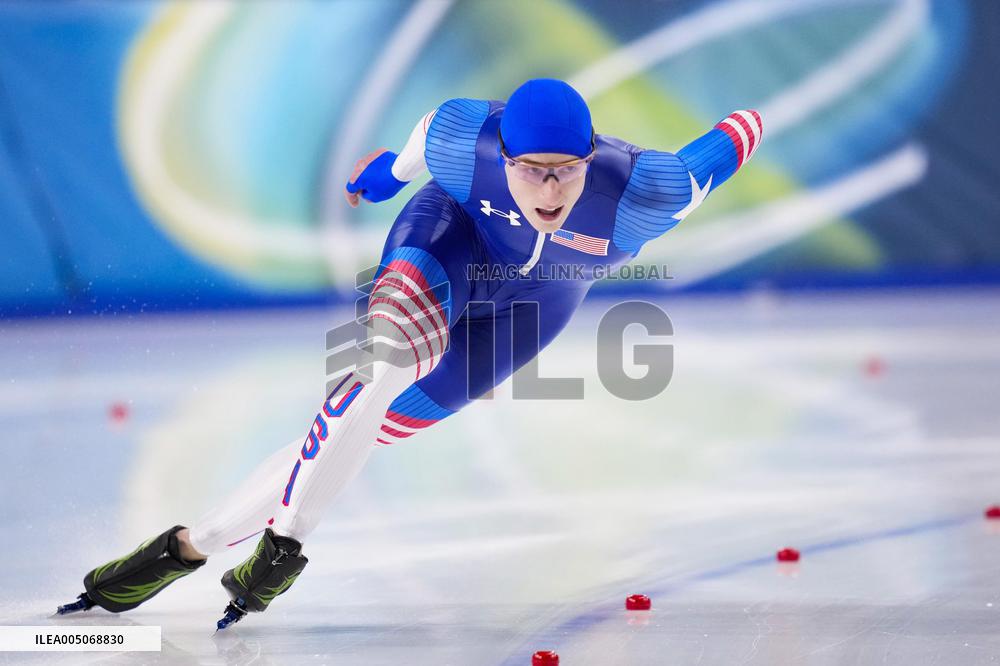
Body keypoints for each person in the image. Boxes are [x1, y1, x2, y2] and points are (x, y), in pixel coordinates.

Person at [57, 79, 763, 629]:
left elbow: (735, 138)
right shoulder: (464, 137)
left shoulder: (649, 193)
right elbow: (422, 139)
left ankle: (190, 545)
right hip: (449, 240)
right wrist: (388, 178)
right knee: (388, 365)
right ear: (503, 155)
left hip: (533, 308)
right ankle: (286, 547)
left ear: (589, 159)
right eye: (531, 171)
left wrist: (758, 115)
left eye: (567, 172)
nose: (550, 191)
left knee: (369, 432)